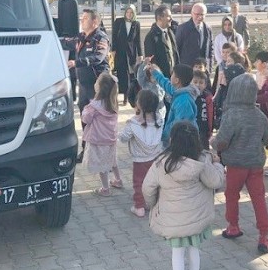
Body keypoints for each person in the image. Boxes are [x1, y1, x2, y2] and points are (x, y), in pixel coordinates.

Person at [142, 121, 225, 270]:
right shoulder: (202, 160)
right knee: (194, 247)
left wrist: (153, 205)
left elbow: (147, 188)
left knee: (177, 252)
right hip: (197, 219)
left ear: (172, 140)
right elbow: (216, 182)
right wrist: (218, 164)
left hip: (173, 221)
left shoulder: (161, 163)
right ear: (196, 140)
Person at [211, 74, 268, 254]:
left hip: (235, 165)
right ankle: (264, 235)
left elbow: (222, 141)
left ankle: (233, 226)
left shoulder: (231, 115)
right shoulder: (259, 115)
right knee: (259, 197)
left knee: (232, 195)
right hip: (255, 164)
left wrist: (214, 143)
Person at [63, 9, 110, 163]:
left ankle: (104, 156)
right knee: (85, 119)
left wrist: (75, 62)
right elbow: (65, 41)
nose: (82, 21)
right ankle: (87, 150)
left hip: (98, 87)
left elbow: (98, 57)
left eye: (85, 19)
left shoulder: (100, 38)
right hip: (84, 87)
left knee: (100, 120)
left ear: (94, 21)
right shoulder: (81, 37)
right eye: (81, 18)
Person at [118, 89, 163, 217]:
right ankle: (153, 203)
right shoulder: (159, 120)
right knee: (154, 181)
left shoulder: (134, 123)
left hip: (140, 160)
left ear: (139, 105)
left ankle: (139, 206)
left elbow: (123, 138)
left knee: (139, 182)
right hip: (155, 157)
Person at [81, 73, 122, 197]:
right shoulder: (113, 103)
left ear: (99, 87)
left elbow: (86, 120)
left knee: (102, 165)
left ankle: (105, 189)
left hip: (98, 139)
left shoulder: (94, 106)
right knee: (112, 160)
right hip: (111, 138)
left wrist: (84, 110)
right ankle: (118, 180)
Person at [149, 63, 198, 147]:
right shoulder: (179, 90)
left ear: (176, 80)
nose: (170, 77)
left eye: (172, 75)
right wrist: (155, 72)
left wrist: (166, 136)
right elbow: (166, 84)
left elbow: (180, 125)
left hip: (181, 142)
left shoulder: (184, 101)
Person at [112, 5, 142, 105]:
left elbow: (138, 40)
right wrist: (113, 50)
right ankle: (120, 95)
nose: (129, 14)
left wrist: (140, 54)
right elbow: (114, 36)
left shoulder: (136, 24)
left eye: (131, 13)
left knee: (131, 74)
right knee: (121, 74)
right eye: (127, 12)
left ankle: (128, 96)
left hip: (131, 53)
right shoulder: (119, 22)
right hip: (120, 52)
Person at [176, 3, 213, 71]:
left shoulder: (208, 29)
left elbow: (210, 50)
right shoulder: (182, 29)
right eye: (197, 14)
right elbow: (177, 50)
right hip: (187, 69)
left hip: (203, 70)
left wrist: (209, 68)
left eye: (202, 14)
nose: (199, 17)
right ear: (192, 13)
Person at [144, 5, 178, 78]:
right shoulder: (151, 37)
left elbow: (175, 53)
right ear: (159, 18)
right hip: (162, 79)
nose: (171, 19)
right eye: (168, 16)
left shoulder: (170, 32)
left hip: (174, 77)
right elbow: (152, 62)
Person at [192, 70, 214, 149]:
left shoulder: (208, 97)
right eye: (195, 82)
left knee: (204, 152)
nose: (198, 85)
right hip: (191, 129)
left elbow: (210, 114)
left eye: (201, 83)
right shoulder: (188, 96)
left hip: (203, 130)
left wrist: (210, 130)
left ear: (205, 85)